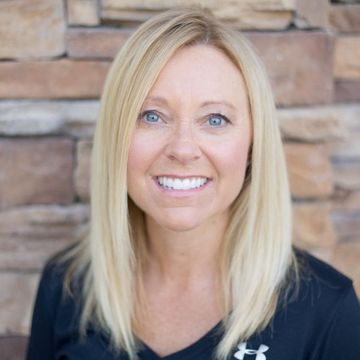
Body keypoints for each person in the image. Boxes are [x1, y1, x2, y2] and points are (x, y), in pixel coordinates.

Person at [26, 7, 360, 360]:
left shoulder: (327, 312)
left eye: (215, 119)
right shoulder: (66, 285)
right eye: (152, 116)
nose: (183, 149)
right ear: (116, 137)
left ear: (252, 145)